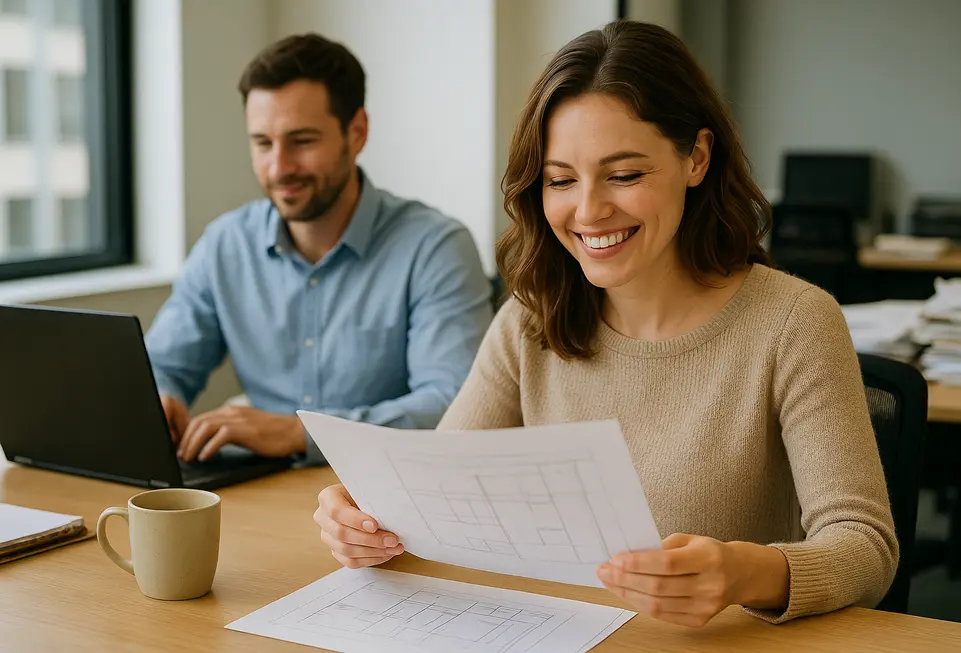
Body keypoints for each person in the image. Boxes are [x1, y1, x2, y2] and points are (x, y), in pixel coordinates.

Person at [312, 20, 899, 626]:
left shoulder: (795, 322)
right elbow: (435, 498)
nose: (589, 211)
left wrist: (743, 573)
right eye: (561, 180)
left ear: (696, 158)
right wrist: (365, 519)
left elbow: (865, 547)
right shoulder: (530, 320)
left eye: (624, 175)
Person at [145, 34, 493, 465]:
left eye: (302, 141)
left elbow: (451, 406)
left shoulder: (434, 247)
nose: (278, 167)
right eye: (262, 143)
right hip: (260, 489)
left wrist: (298, 432)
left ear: (357, 131)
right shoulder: (225, 244)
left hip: (381, 499)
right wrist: (160, 398)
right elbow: (161, 365)